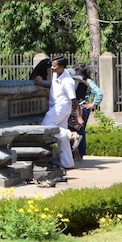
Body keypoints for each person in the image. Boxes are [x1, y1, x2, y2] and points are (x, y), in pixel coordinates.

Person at [36, 56, 83, 184]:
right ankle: (68, 163)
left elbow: (74, 100)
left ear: (61, 67)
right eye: (52, 65)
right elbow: (53, 86)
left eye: (54, 66)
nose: (52, 67)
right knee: (62, 139)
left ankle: (72, 135)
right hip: (57, 107)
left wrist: (79, 116)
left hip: (61, 108)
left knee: (46, 126)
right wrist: (41, 83)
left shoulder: (67, 81)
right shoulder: (58, 74)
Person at [73, 64, 102, 161]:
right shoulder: (76, 80)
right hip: (77, 106)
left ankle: (80, 153)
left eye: (77, 70)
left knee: (80, 130)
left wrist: (93, 104)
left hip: (82, 107)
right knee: (76, 130)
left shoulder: (88, 81)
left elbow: (99, 93)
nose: (75, 72)